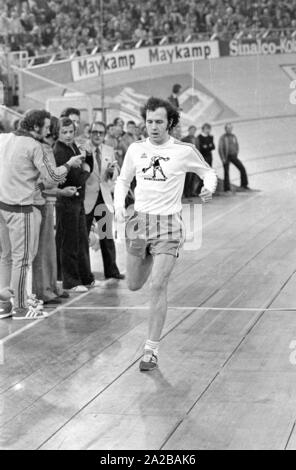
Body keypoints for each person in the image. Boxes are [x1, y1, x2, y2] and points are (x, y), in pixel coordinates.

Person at [114, 97, 217, 372]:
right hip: (139, 223)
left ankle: (151, 350)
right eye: (149, 122)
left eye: (159, 121)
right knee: (134, 285)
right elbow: (123, 180)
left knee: (157, 285)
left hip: (169, 226)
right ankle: (149, 256)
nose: (154, 127)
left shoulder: (184, 150)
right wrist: (117, 207)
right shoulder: (136, 149)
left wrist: (209, 187)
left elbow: (208, 172)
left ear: (170, 122)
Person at [0, 110, 83, 320]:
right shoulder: (34, 146)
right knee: (22, 260)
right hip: (21, 209)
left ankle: (4, 304)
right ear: (35, 127)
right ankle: (20, 307)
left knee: (6, 258)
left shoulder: (3, 138)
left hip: (2, 207)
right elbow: (53, 176)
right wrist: (69, 164)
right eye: (46, 127)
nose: (49, 131)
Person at [32, 116, 75, 304]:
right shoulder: (40, 148)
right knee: (42, 249)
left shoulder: (47, 148)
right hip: (40, 201)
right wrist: (62, 174)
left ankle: (51, 285)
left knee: (49, 248)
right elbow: (46, 180)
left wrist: (58, 184)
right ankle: (42, 290)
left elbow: (50, 179)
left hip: (47, 200)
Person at [54, 117, 95, 292]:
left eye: (71, 131)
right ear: (58, 132)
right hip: (67, 200)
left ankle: (85, 277)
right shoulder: (59, 151)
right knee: (69, 242)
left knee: (81, 240)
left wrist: (90, 157)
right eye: (64, 132)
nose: (69, 135)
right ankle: (70, 280)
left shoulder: (73, 147)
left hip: (77, 199)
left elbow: (86, 168)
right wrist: (85, 170)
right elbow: (75, 177)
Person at [84, 121, 124, 281]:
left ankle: (112, 270)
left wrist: (112, 172)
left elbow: (116, 173)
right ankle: (85, 274)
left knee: (107, 235)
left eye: (101, 132)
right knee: (83, 237)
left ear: (104, 134)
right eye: (95, 132)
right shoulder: (83, 149)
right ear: (90, 133)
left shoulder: (108, 150)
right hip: (87, 197)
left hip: (104, 196)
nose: (98, 135)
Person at [218, 123, 250, 192]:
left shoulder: (233, 136)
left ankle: (244, 185)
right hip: (226, 156)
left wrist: (236, 152)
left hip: (233, 155)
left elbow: (236, 145)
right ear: (225, 129)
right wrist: (223, 158)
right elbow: (220, 148)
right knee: (226, 172)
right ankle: (227, 189)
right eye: (228, 128)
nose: (229, 130)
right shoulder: (223, 137)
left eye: (230, 128)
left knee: (242, 168)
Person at [182, 125, 202, 197]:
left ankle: (191, 192)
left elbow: (198, 150)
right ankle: (186, 192)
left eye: (194, 130)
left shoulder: (196, 139)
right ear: (189, 130)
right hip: (188, 160)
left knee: (194, 177)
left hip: (195, 160)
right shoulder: (184, 139)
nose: (192, 132)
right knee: (188, 177)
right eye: (191, 130)